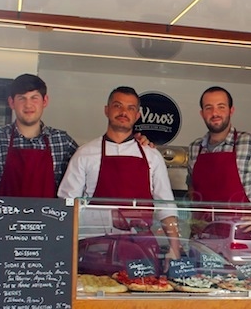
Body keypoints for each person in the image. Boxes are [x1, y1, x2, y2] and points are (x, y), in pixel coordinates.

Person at [58, 87, 181, 263]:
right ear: (106, 110)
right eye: (118, 106)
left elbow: (166, 207)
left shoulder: (152, 155)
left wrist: (174, 247)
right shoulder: (84, 154)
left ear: (137, 115)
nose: (124, 112)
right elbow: (68, 206)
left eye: (130, 108)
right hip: (95, 249)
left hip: (140, 249)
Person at [0, 74, 77, 198]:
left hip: (49, 217)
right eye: (22, 98)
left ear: (45, 101)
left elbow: (73, 197)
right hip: (2, 217)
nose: (28, 105)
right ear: (11, 102)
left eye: (34, 98)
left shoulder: (64, 143)